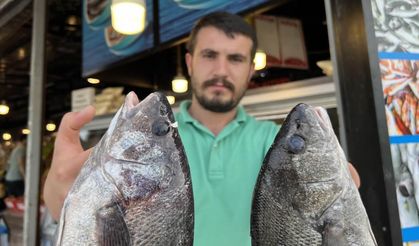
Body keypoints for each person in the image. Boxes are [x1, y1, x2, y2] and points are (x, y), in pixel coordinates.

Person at [43, 11, 361, 245]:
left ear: (251, 69)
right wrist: (66, 189)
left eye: (235, 59)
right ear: (191, 62)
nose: (221, 70)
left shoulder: (273, 141)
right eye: (210, 55)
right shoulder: (151, 144)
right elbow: (83, 226)